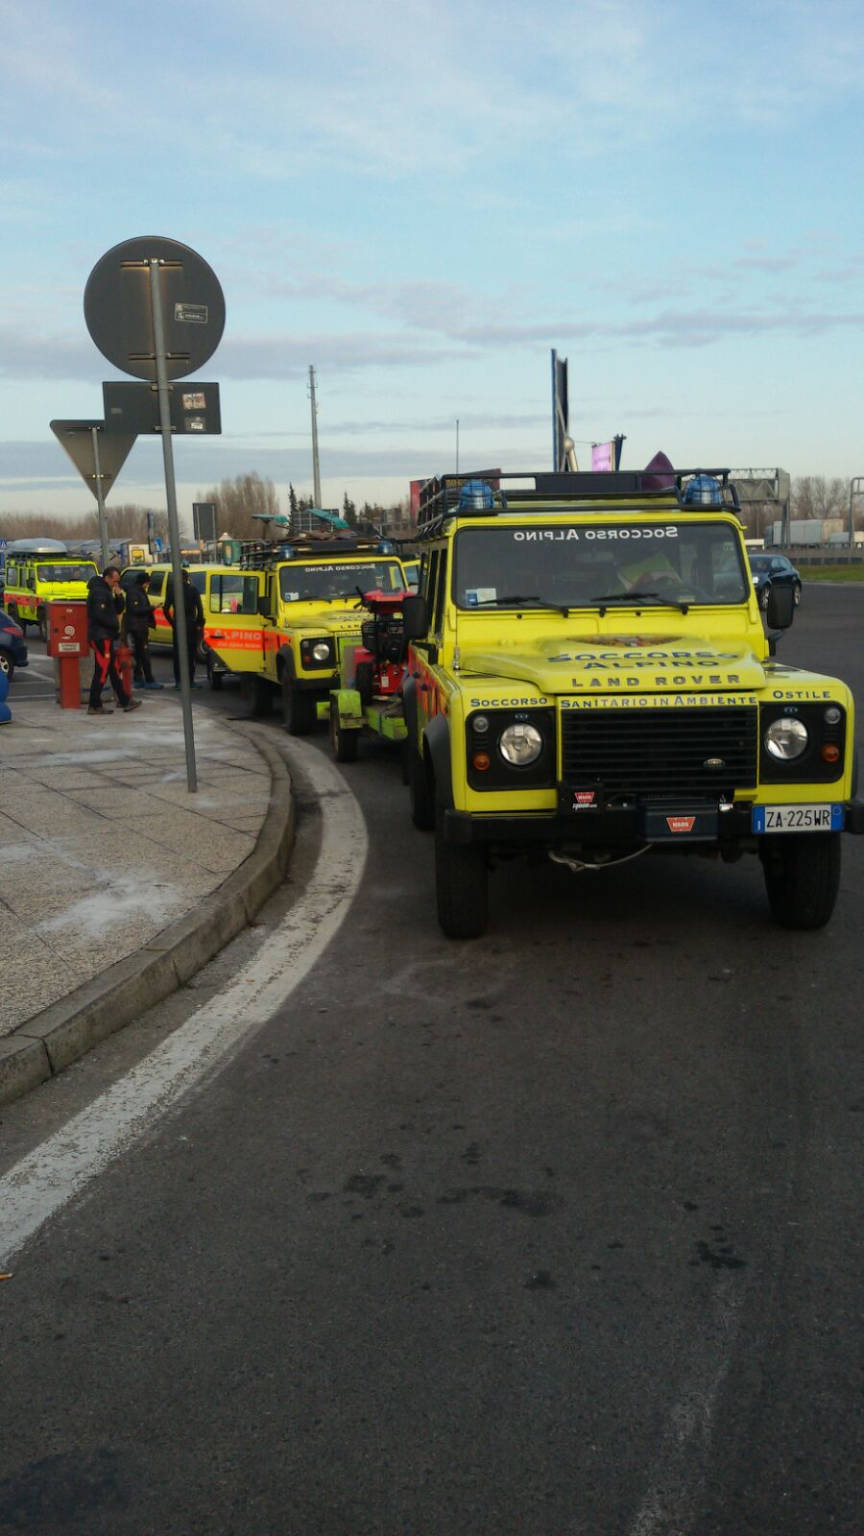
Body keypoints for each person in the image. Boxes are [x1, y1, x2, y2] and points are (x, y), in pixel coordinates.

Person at [86, 566, 142, 716]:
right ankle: (94, 704)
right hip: (101, 636)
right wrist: (114, 625)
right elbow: (100, 615)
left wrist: (119, 596)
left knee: (113, 669)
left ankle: (124, 700)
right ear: (107, 578)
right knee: (102, 671)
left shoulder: (107, 591)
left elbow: (118, 609)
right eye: (115, 581)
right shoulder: (99, 592)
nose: (116, 584)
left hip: (106, 635)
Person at [163, 565, 205, 688]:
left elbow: (165, 609)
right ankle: (191, 681)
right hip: (190, 623)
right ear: (187, 578)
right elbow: (200, 609)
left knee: (177, 654)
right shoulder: (193, 590)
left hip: (178, 624)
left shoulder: (172, 590)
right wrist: (198, 624)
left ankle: (178, 682)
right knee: (191, 654)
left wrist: (172, 623)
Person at [123, 571, 163, 690]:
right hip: (138, 627)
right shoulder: (134, 592)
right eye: (147, 583)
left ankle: (138, 678)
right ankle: (148, 679)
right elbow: (135, 609)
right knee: (144, 654)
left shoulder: (138, 591)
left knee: (139, 654)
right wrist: (152, 608)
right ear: (143, 583)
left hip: (140, 626)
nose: (148, 586)